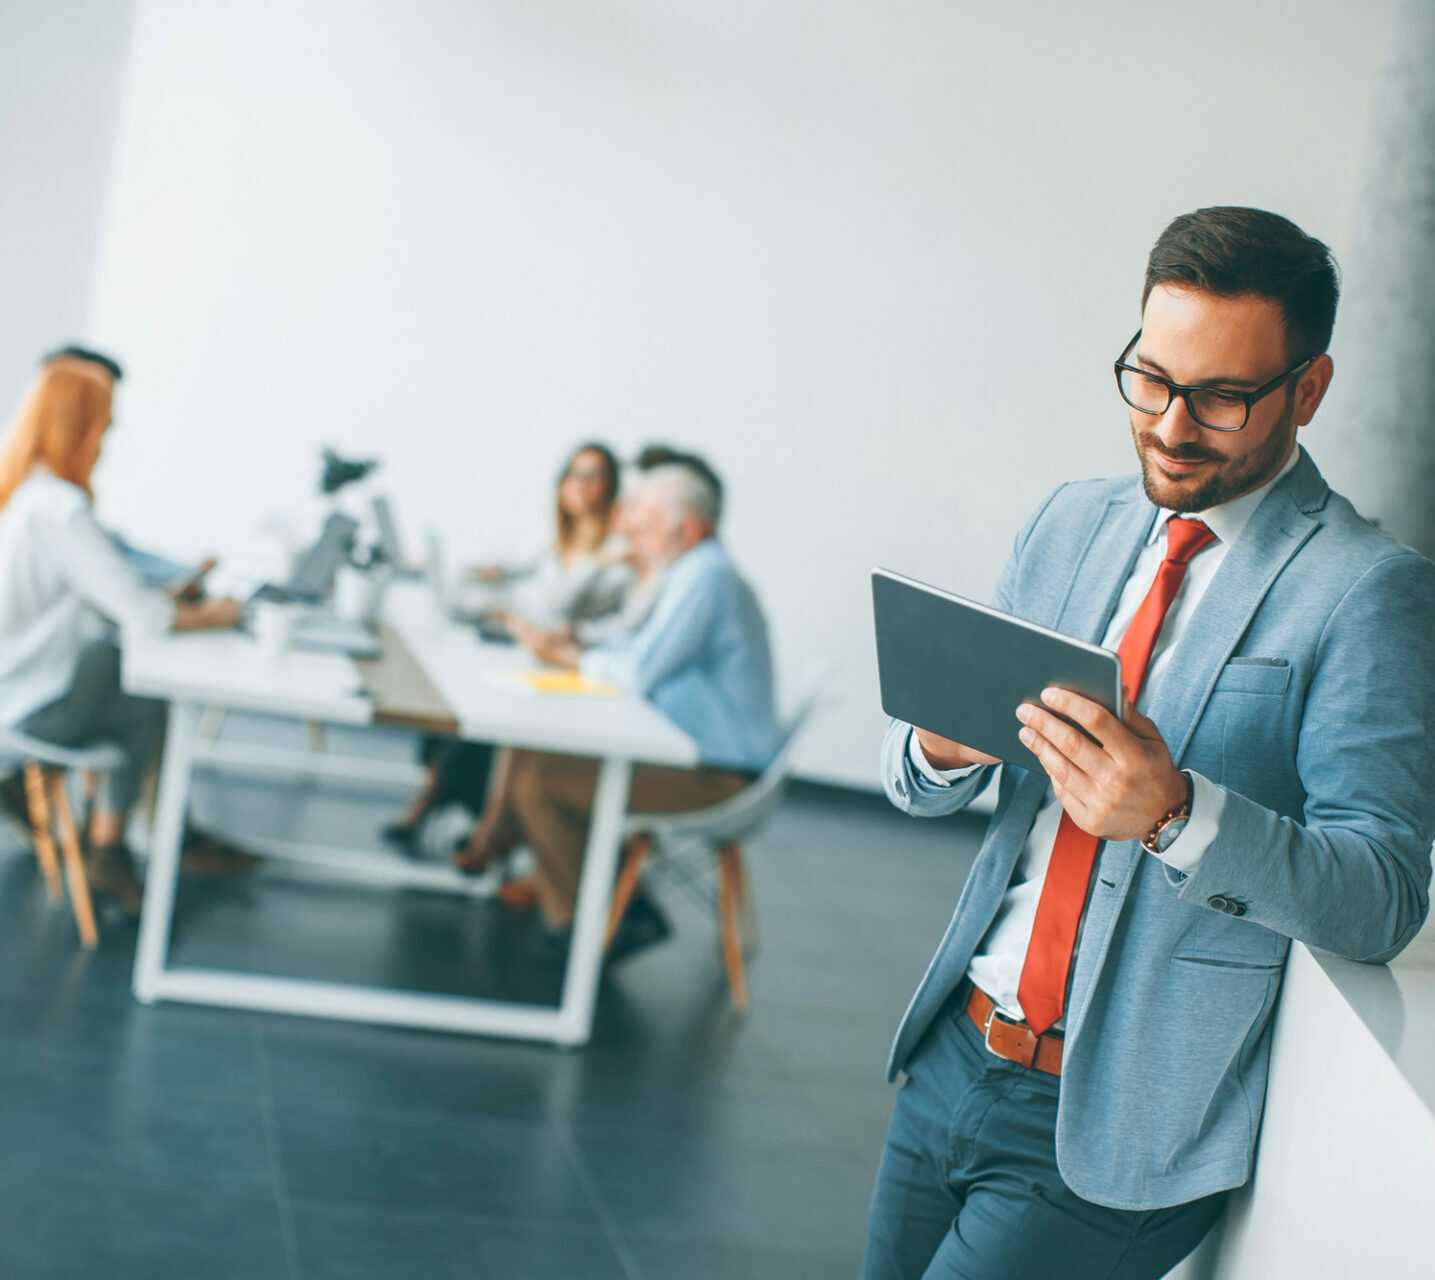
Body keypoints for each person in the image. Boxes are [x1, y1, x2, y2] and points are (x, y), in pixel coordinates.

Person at [862, 207, 1435, 1280]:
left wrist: (1179, 813)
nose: (1171, 424)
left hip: (1117, 1119)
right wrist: (940, 745)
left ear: (1306, 390)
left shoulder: (1367, 591)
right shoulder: (1069, 522)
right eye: (1151, 378)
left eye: (1221, 395)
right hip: (955, 1049)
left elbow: (1384, 889)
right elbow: (918, 784)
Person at [495, 461, 783, 957]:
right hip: (700, 753)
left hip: (719, 774)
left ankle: (591, 932)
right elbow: (638, 651)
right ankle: (609, 913)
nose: (631, 532)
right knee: (537, 763)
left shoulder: (706, 577)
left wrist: (573, 656)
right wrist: (581, 649)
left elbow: (643, 670)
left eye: (645, 526)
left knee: (543, 782)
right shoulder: (690, 570)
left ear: (688, 528)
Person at [0, 358, 241, 912]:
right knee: (143, 688)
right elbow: (143, 616)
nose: (108, 439)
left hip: (17, 688)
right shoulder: (59, 509)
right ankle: (115, 850)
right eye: (104, 425)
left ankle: (113, 848)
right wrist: (214, 616)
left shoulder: (26, 493)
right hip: (31, 709)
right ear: (80, 426)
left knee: (136, 692)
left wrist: (160, 601)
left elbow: (114, 589)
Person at [387, 443, 633, 859]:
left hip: (576, 671)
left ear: (612, 486)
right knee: (456, 719)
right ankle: (443, 814)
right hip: (540, 653)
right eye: (573, 475)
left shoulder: (619, 552)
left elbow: (575, 613)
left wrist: (548, 619)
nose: (580, 486)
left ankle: (486, 832)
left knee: (495, 730)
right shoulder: (554, 543)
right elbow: (511, 566)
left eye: (592, 476)